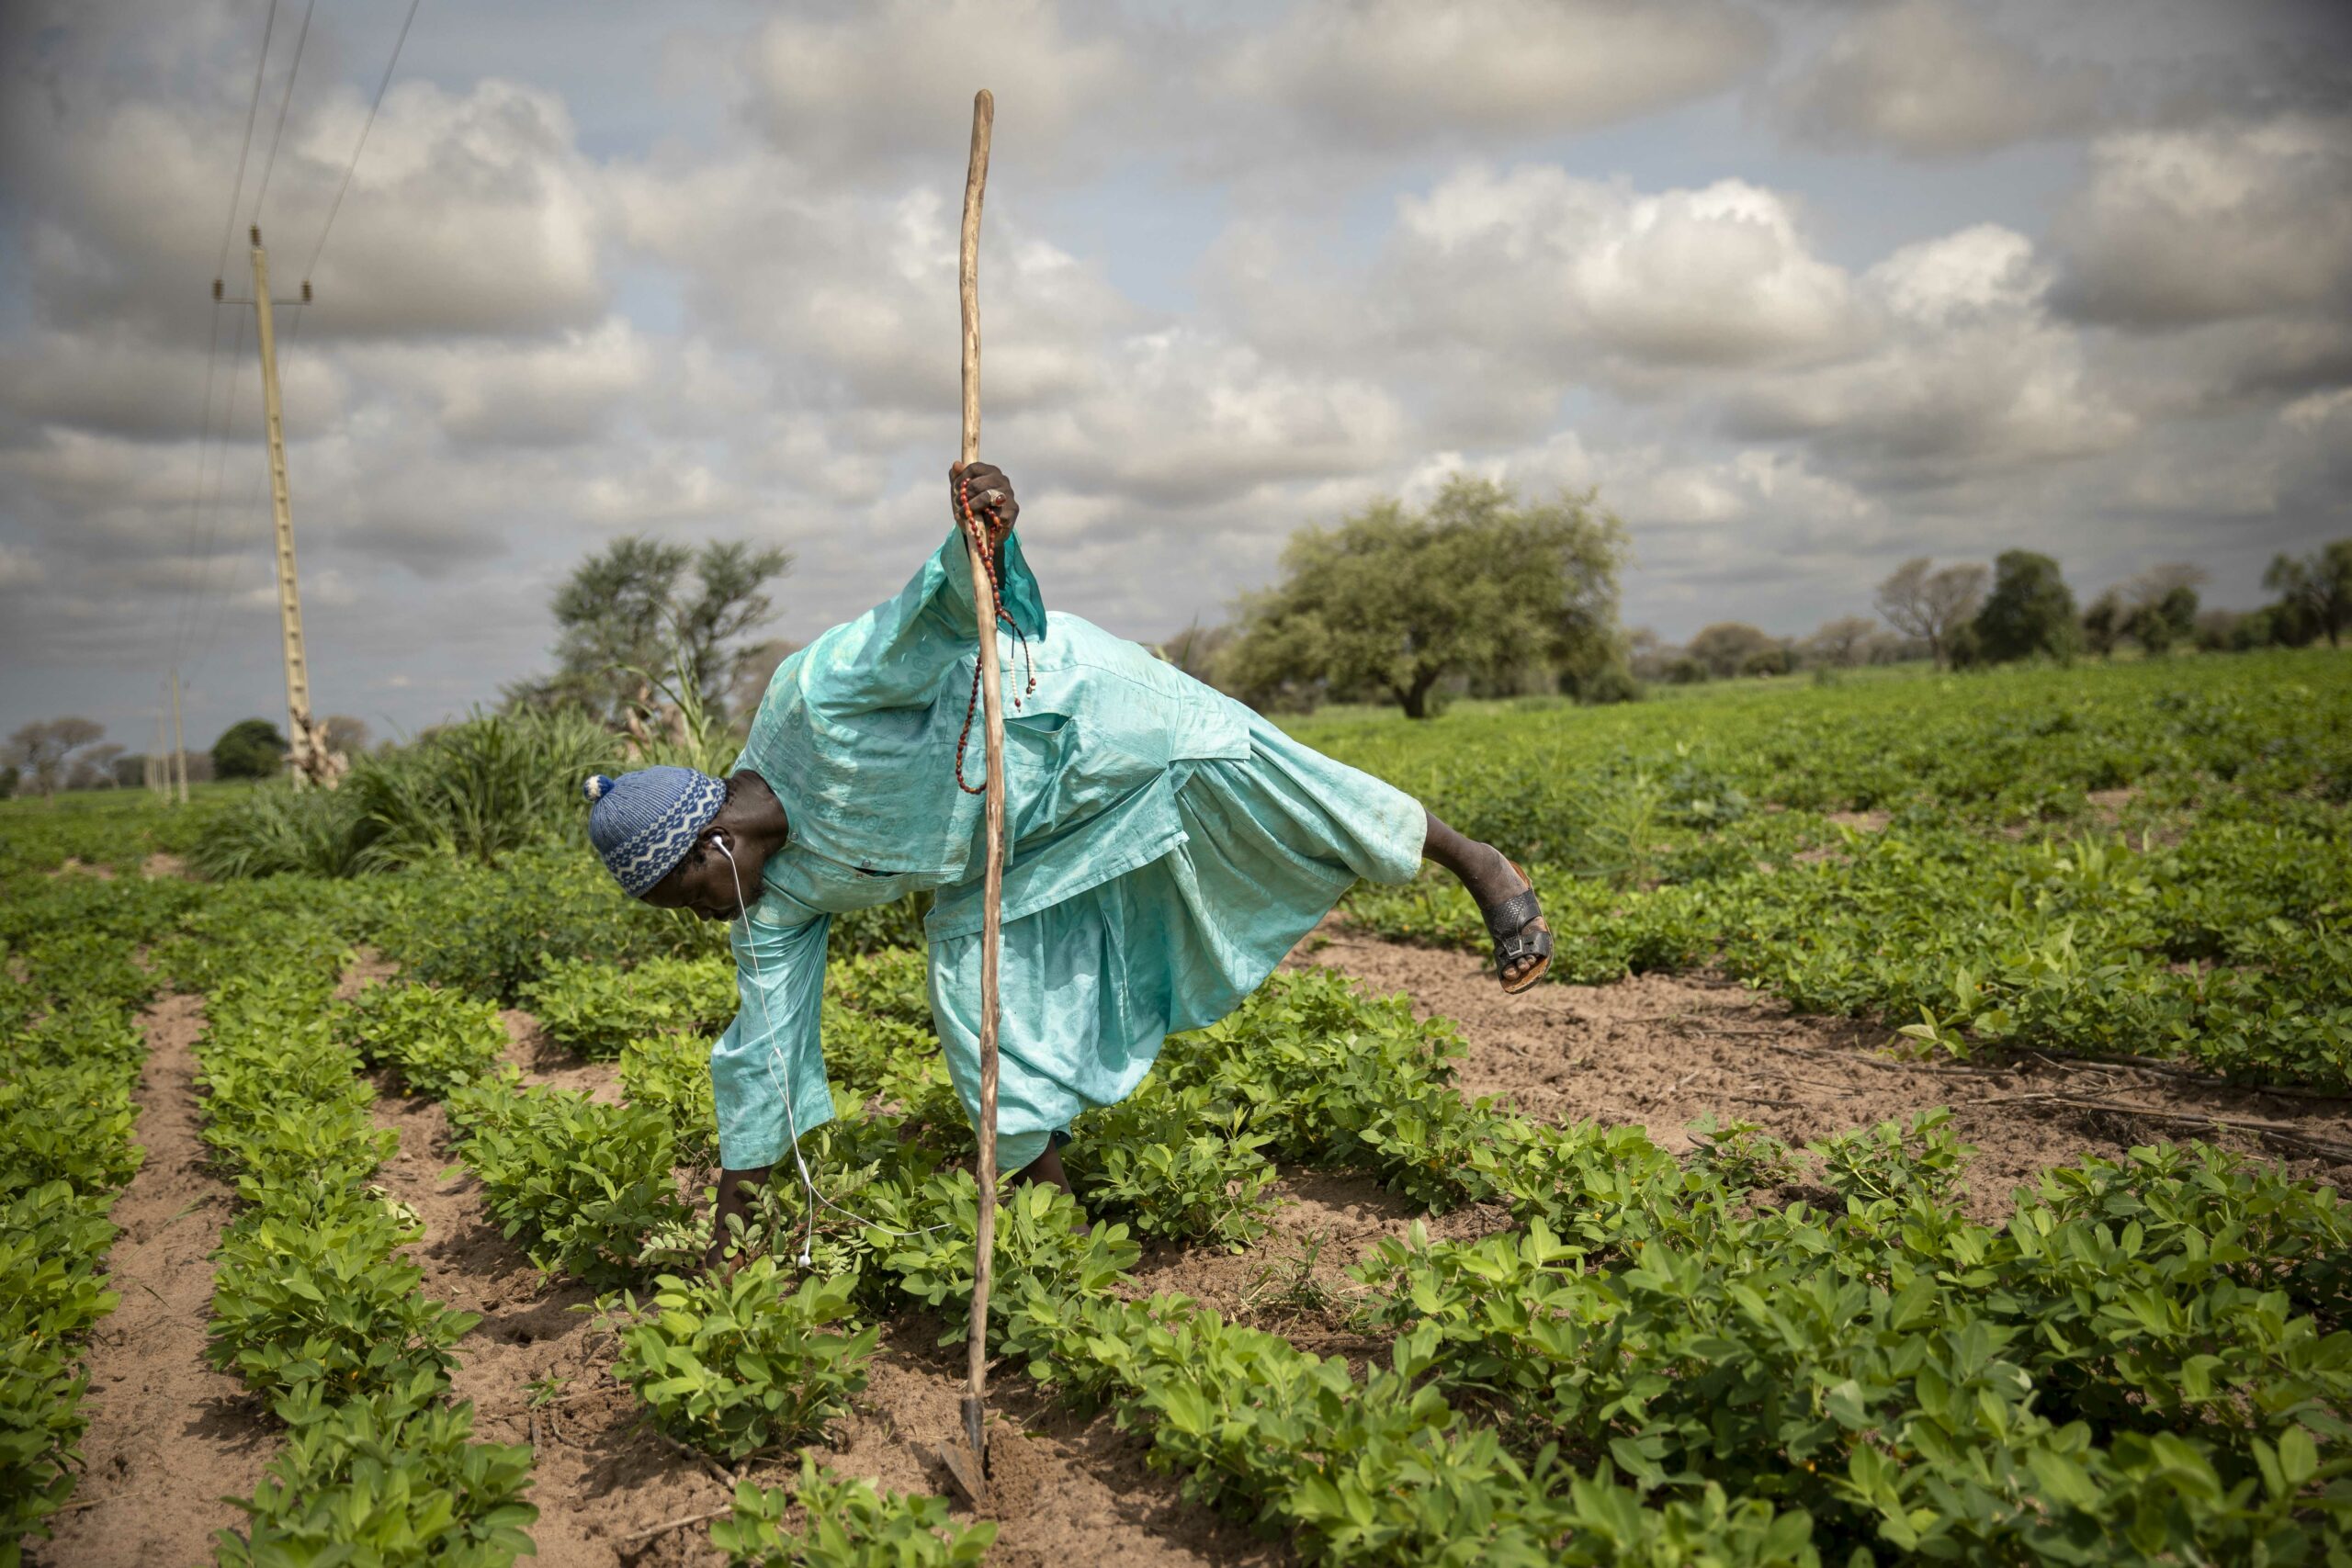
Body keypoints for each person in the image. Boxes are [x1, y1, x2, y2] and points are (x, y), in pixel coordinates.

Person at [578, 460, 1549, 1260]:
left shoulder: (809, 701)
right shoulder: (773, 902)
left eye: (689, 896)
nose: (705, 917)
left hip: (1068, 712)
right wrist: (735, 1238)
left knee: (1260, 771)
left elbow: (917, 624)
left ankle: (1474, 860)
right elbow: (763, 1050)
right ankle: (1053, 1216)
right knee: (972, 996)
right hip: (1019, 837)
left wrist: (978, 538)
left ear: (713, 842)